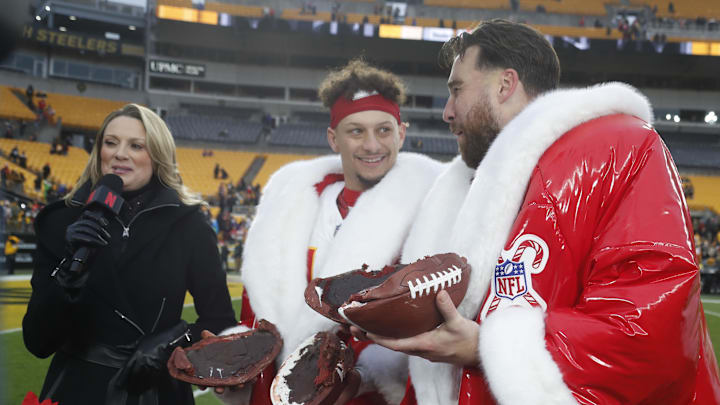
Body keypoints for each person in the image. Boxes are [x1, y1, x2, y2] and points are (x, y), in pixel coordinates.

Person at [358, 19, 720, 404]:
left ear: (504, 84)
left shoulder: (619, 146)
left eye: (457, 90)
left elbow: (652, 327)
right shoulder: (464, 185)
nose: (447, 111)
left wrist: (486, 348)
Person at [214, 59, 443, 405]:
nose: (371, 145)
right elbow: (258, 315)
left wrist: (361, 377)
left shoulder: (432, 215)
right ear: (333, 139)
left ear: (402, 133)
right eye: (356, 131)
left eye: (383, 130)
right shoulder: (287, 210)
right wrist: (237, 365)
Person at [23, 104, 237, 404]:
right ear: (99, 151)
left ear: (157, 155)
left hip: (156, 391)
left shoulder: (190, 225)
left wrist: (171, 342)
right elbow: (37, 342)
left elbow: (220, 320)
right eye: (110, 143)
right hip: (76, 389)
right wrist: (69, 273)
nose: (120, 153)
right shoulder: (60, 221)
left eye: (136, 145)